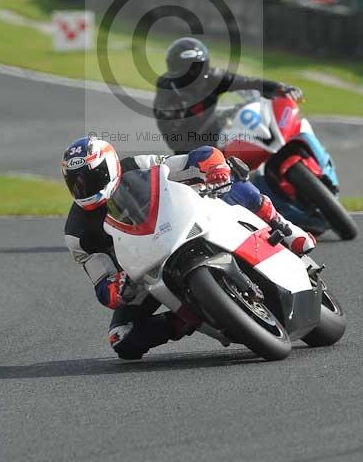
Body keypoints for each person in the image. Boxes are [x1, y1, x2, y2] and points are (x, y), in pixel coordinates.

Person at [63, 134, 315, 361]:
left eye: (92, 178)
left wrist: (214, 168)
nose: (84, 188)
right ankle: (187, 318)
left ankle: (282, 226)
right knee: (122, 339)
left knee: (231, 173)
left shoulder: (135, 165)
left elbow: (195, 158)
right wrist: (117, 288)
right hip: (142, 271)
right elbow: (101, 285)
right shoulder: (77, 233)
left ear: (109, 166)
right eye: (76, 183)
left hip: (177, 223)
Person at [153, 37, 304, 153]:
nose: (193, 73)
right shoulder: (167, 96)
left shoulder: (212, 77)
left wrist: (280, 88)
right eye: (187, 69)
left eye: (197, 67)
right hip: (193, 152)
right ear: (174, 69)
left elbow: (248, 82)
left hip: (222, 134)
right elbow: (175, 141)